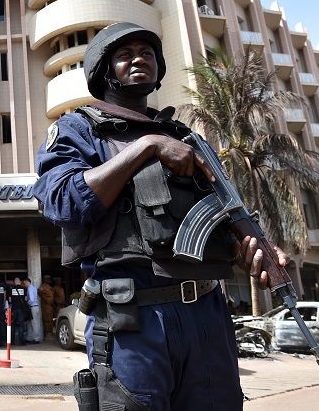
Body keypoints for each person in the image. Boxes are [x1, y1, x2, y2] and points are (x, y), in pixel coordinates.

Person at [33, 22, 290, 410]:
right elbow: (61, 200)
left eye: (147, 53)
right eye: (125, 54)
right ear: (103, 70)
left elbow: (222, 211)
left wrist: (246, 248)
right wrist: (148, 147)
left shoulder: (186, 138)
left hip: (208, 316)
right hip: (133, 318)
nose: (140, 58)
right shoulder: (78, 129)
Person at [23, 277, 43, 343]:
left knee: (34, 323)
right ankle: (30, 337)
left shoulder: (30, 289)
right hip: (35, 306)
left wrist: (27, 303)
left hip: (32, 307)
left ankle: (36, 338)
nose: (24, 284)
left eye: (24, 283)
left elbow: (31, 299)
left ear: (26, 282)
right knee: (32, 323)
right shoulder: (34, 288)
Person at [9, 277, 27, 346]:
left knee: (12, 325)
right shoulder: (23, 289)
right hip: (21, 309)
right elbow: (26, 299)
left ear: (14, 282)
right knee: (21, 325)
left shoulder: (12, 289)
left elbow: (10, 300)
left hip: (14, 308)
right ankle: (21, 341)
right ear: (20, 282)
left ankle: (12, 341)